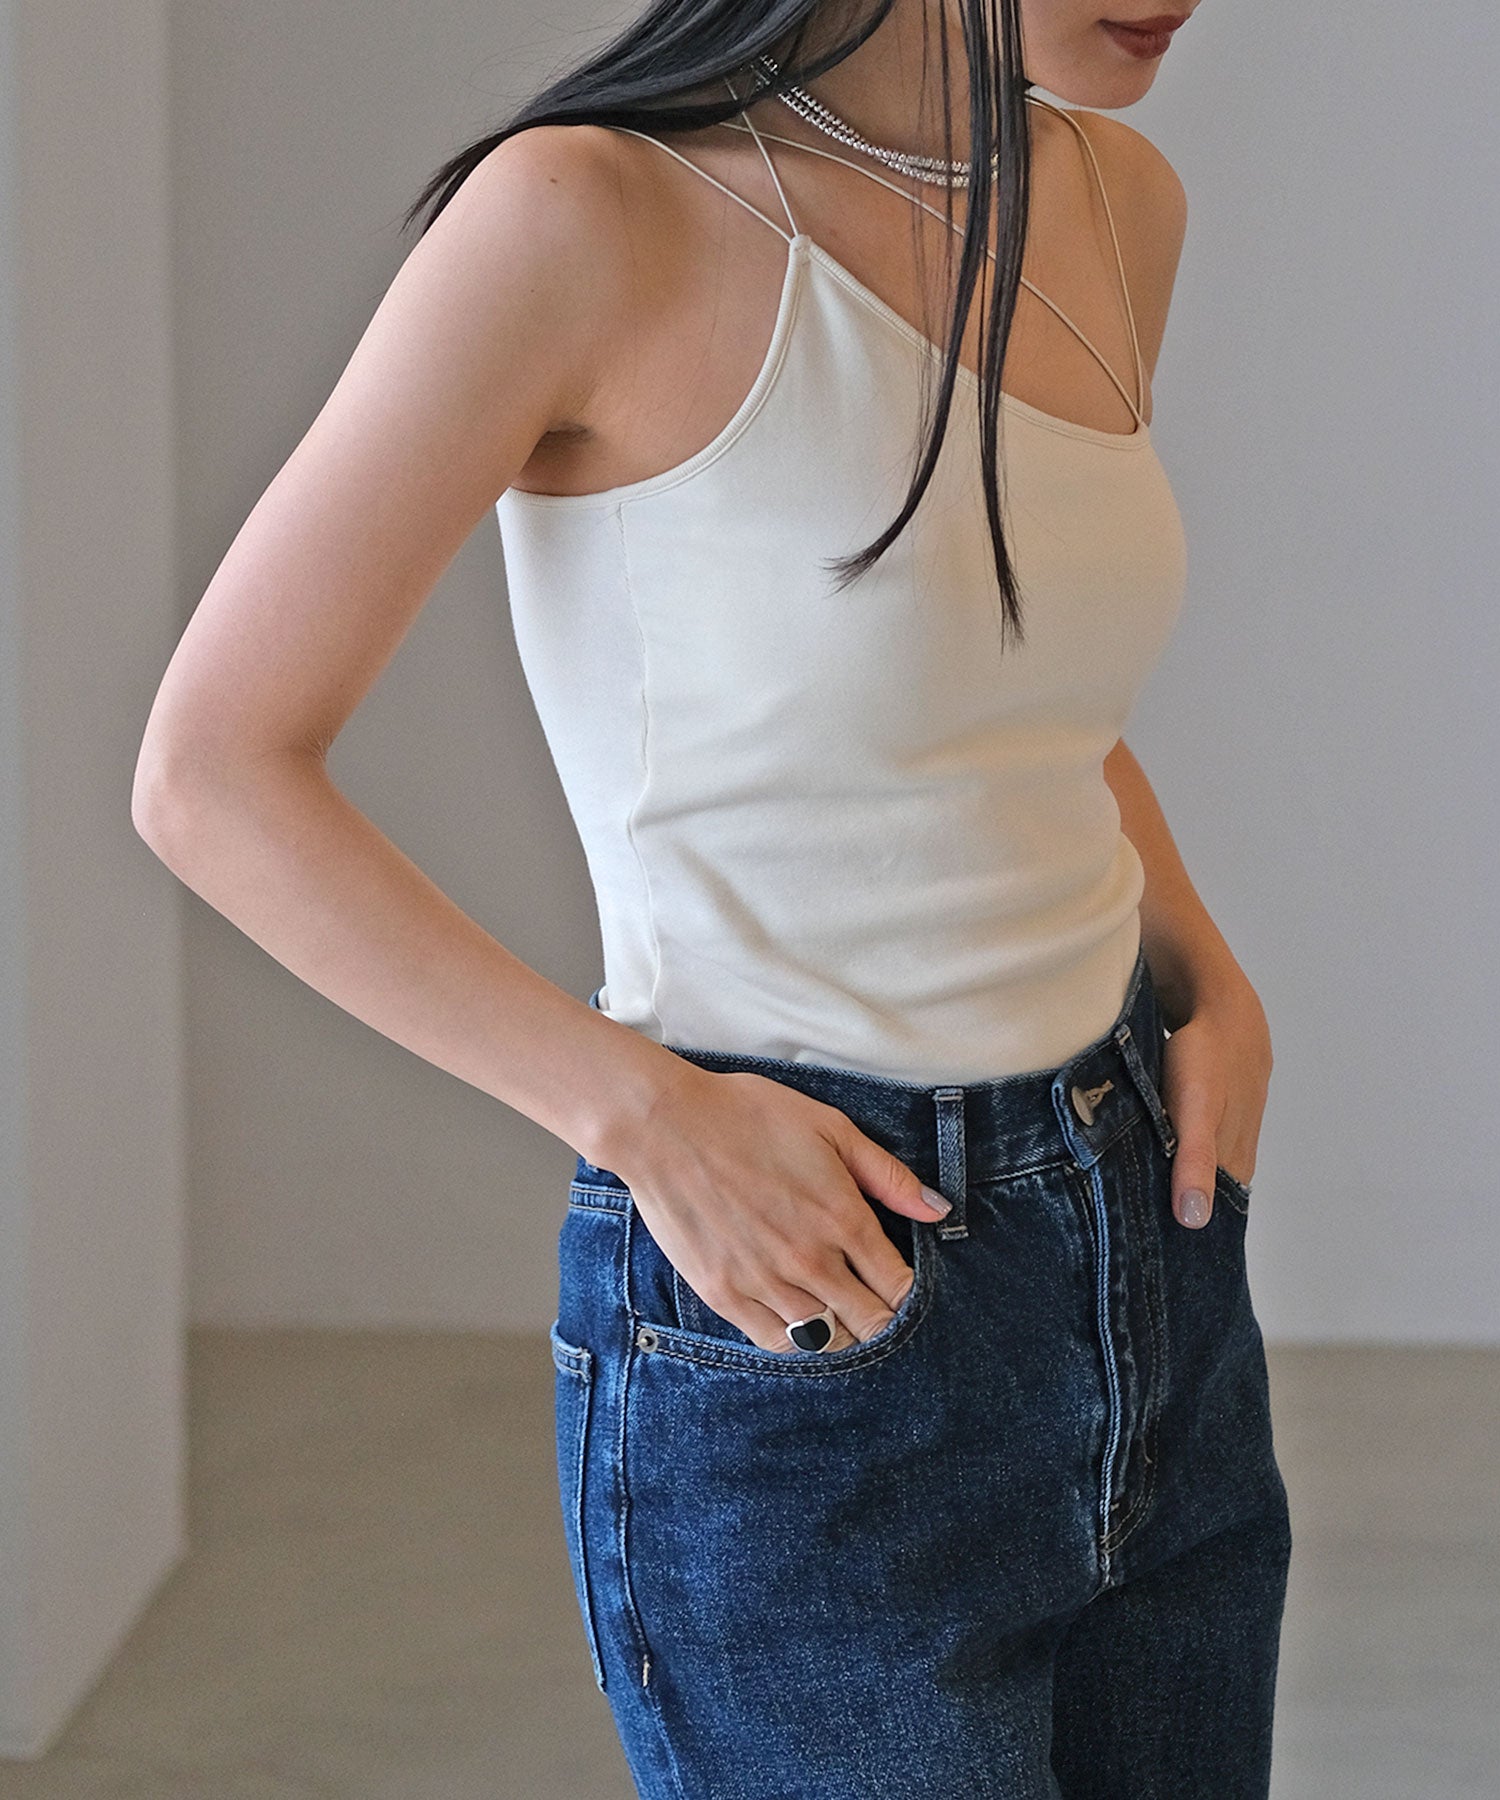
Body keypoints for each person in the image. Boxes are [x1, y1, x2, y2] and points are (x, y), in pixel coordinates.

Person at [132, 0, 1293, 1793]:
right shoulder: (585, 216)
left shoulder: (1117, 201)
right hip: (817, 1294)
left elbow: (1014, 696)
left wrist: (1205, 967)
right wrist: (642, 1119)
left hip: (1147, 1230)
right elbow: (213, 772)